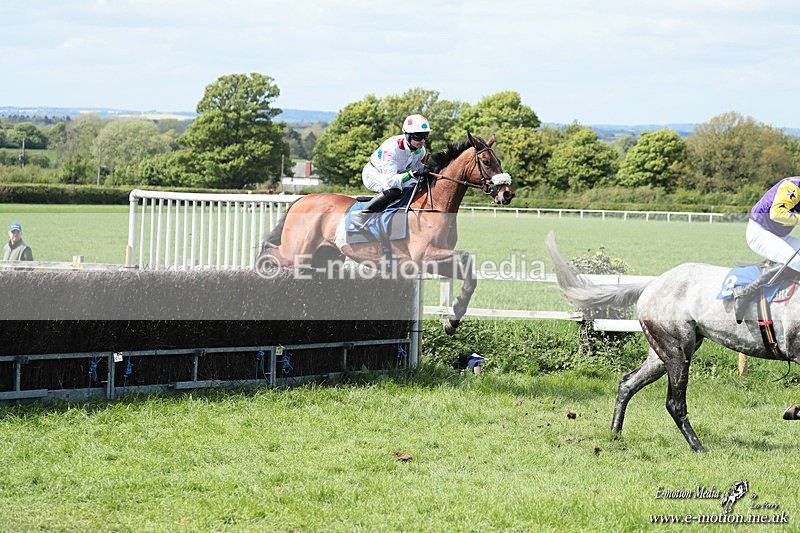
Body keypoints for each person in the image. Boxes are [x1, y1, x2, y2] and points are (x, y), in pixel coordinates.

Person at [732, 176, 800, 316]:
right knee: (796, 262)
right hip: (759, 232)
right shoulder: (793, 186)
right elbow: (777, 213)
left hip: (780, 235)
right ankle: (746, 291)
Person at [351, 114, 431, 229]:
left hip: (394, 175)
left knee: (416, 186)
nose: (422, 141)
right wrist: (411, 174)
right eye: (418, 137)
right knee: (395, 190)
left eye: (425, 136)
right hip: (373, 174)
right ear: (407, 135)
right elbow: (391, 180)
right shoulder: (391, 149)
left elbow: (421, 173)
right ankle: (362, 215)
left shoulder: (421, 150)